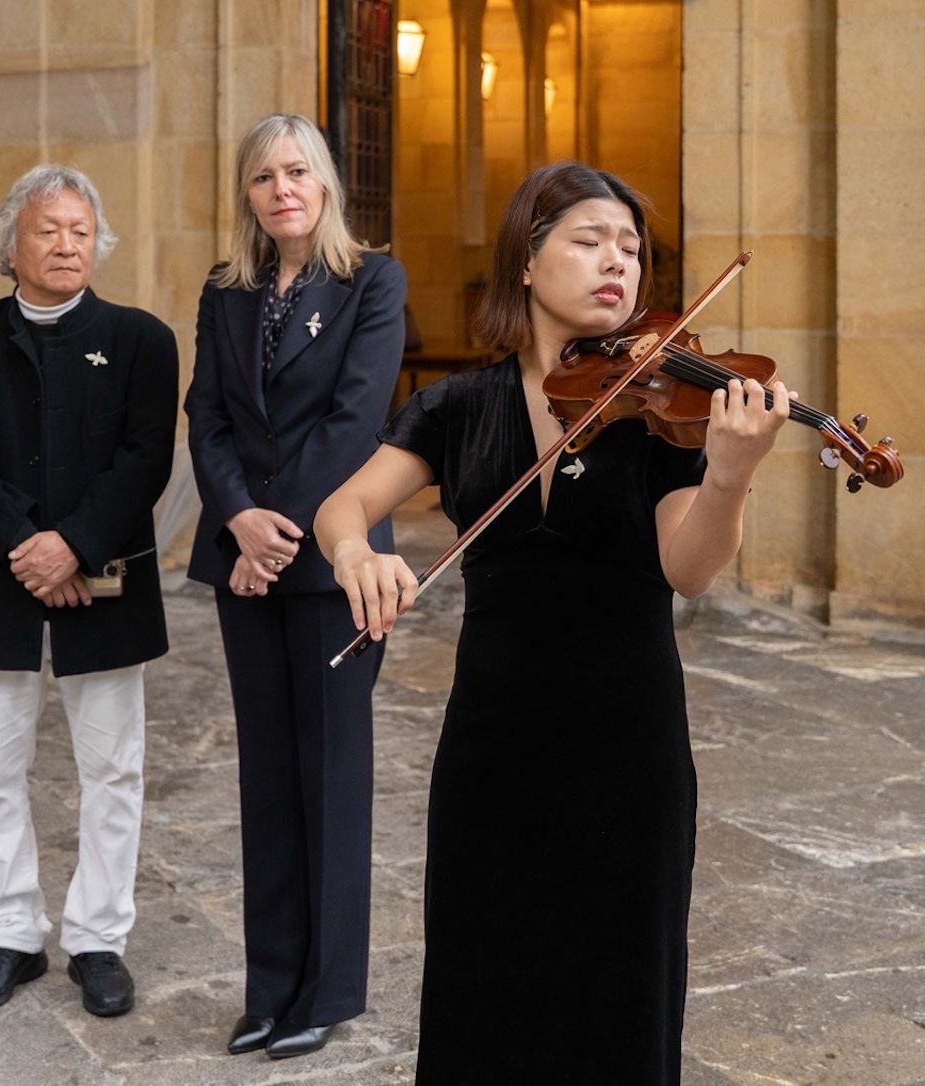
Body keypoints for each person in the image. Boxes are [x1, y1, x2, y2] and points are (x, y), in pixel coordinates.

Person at [313, 161, 792, 1083]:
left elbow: (686, 570)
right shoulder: (457, 407)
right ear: (525, 264)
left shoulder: (660, 414)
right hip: (493, 745)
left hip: (627, 749)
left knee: (619, 996)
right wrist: (356, 553)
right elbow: (345, 506)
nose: (618, 262)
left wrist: (729, 476)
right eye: (589, 239)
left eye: (631, 248)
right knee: (482, 989)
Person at [0, 165, 177, 1019]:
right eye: (47, 229)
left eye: (80, 229)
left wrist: (72, 546)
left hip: (106, 584)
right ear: (11, 245)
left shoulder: (141, 339)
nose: (67, 243)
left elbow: (144, 460)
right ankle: (10, 936)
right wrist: (30, 549)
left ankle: (99, 939)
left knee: (112, 771)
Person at [184, 113, 406, 1060]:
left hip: (331, 565)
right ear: (247, 192)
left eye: (299, 172)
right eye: (265, 175)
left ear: (326, 186)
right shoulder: (226, 290)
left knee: (331, 778)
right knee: (266, 780)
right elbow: (206, 415)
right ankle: (270, 987)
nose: (283, 188)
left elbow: (357, 422)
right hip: (246, 556)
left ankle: (326, 993)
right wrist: (238, 518)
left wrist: (271, 533)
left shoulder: (372, 283)